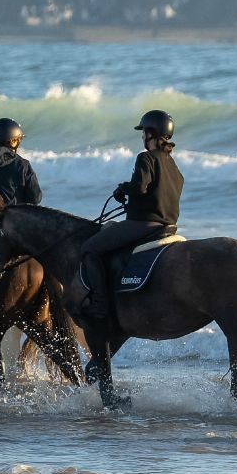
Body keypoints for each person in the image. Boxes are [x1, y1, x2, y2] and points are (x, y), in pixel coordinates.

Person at [77, 109, 183, 323]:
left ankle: (100, 304)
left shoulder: (145, 158)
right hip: (168, 226)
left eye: (144, 132)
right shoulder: (173, 166)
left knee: (89, 248)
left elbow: (141, 187)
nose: (142, 136)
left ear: (151, 133)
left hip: (144, 224)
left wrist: (123, 189)